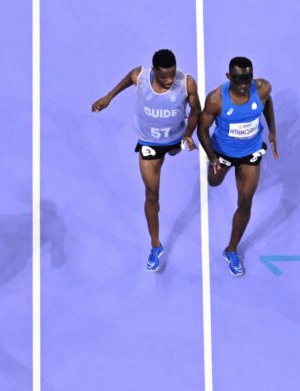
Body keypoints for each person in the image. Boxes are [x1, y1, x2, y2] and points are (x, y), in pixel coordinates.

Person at [91, 48, 200, 270]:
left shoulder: (187, 83)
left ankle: (175, 147)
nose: (169, 80)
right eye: (164, 77)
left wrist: (189, 133)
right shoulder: (139, 76)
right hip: (150, 144)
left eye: (172, 74)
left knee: (174, 152)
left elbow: (196, 110)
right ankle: (155, 245)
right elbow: (126, 81)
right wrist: (109, 96)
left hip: (176, 139)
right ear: (154, 72)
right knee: (151, 195)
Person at [197, 56, 277, 276]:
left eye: (247, 79)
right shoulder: (216, 99)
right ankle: (216, 168)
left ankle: (231, 250)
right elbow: (202, 130)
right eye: (239, 80)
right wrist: (213, 158)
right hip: (222, 153)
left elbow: (267, 103)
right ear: (228, 76)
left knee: (245, 203)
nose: (244, 85)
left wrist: (272, 131)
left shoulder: (262, 88)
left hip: (250, 153)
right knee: (213, 182)